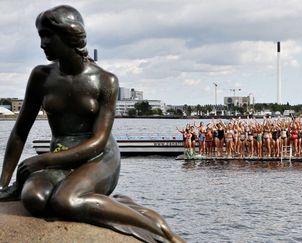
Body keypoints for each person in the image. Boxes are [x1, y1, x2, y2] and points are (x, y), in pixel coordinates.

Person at [0, 5, 183, 243]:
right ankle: (114, 205)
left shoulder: (105, 80)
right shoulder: (41, 76)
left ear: (69, 35)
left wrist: (43, 160)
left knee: (66, 201)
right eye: (40, 36)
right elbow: (19, 131)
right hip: (61, 155)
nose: (42, 43)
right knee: (34, 198)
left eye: (48, 35)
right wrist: (3, 184)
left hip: (98, 157)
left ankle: (161, 232)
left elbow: (98, 142)